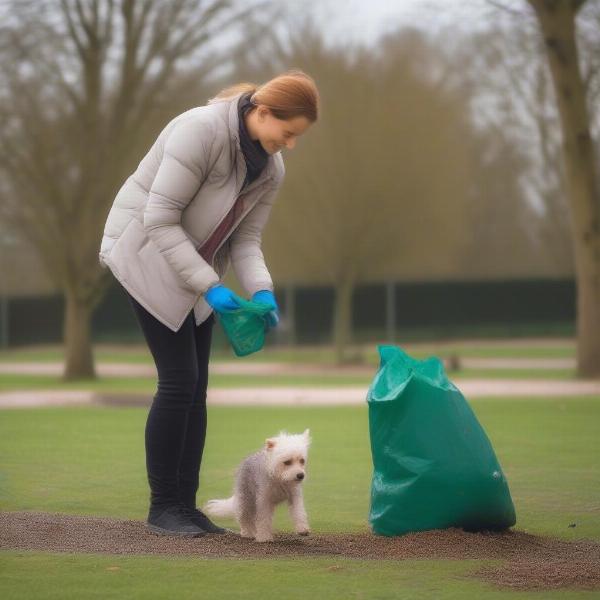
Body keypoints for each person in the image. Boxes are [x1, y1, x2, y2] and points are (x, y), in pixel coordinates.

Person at [98, 70, 319, 537]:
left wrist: (261, 290)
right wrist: (212, 288)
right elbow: (158, 218)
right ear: (262, 112)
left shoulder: (271, 168)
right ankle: (164, 507)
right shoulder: (200, 130)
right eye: (289, 132)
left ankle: (186, 506)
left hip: (195, 268)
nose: (291, 144)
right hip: (145, 253)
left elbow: (247, 239)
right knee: (179, 382)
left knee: (196, 389)